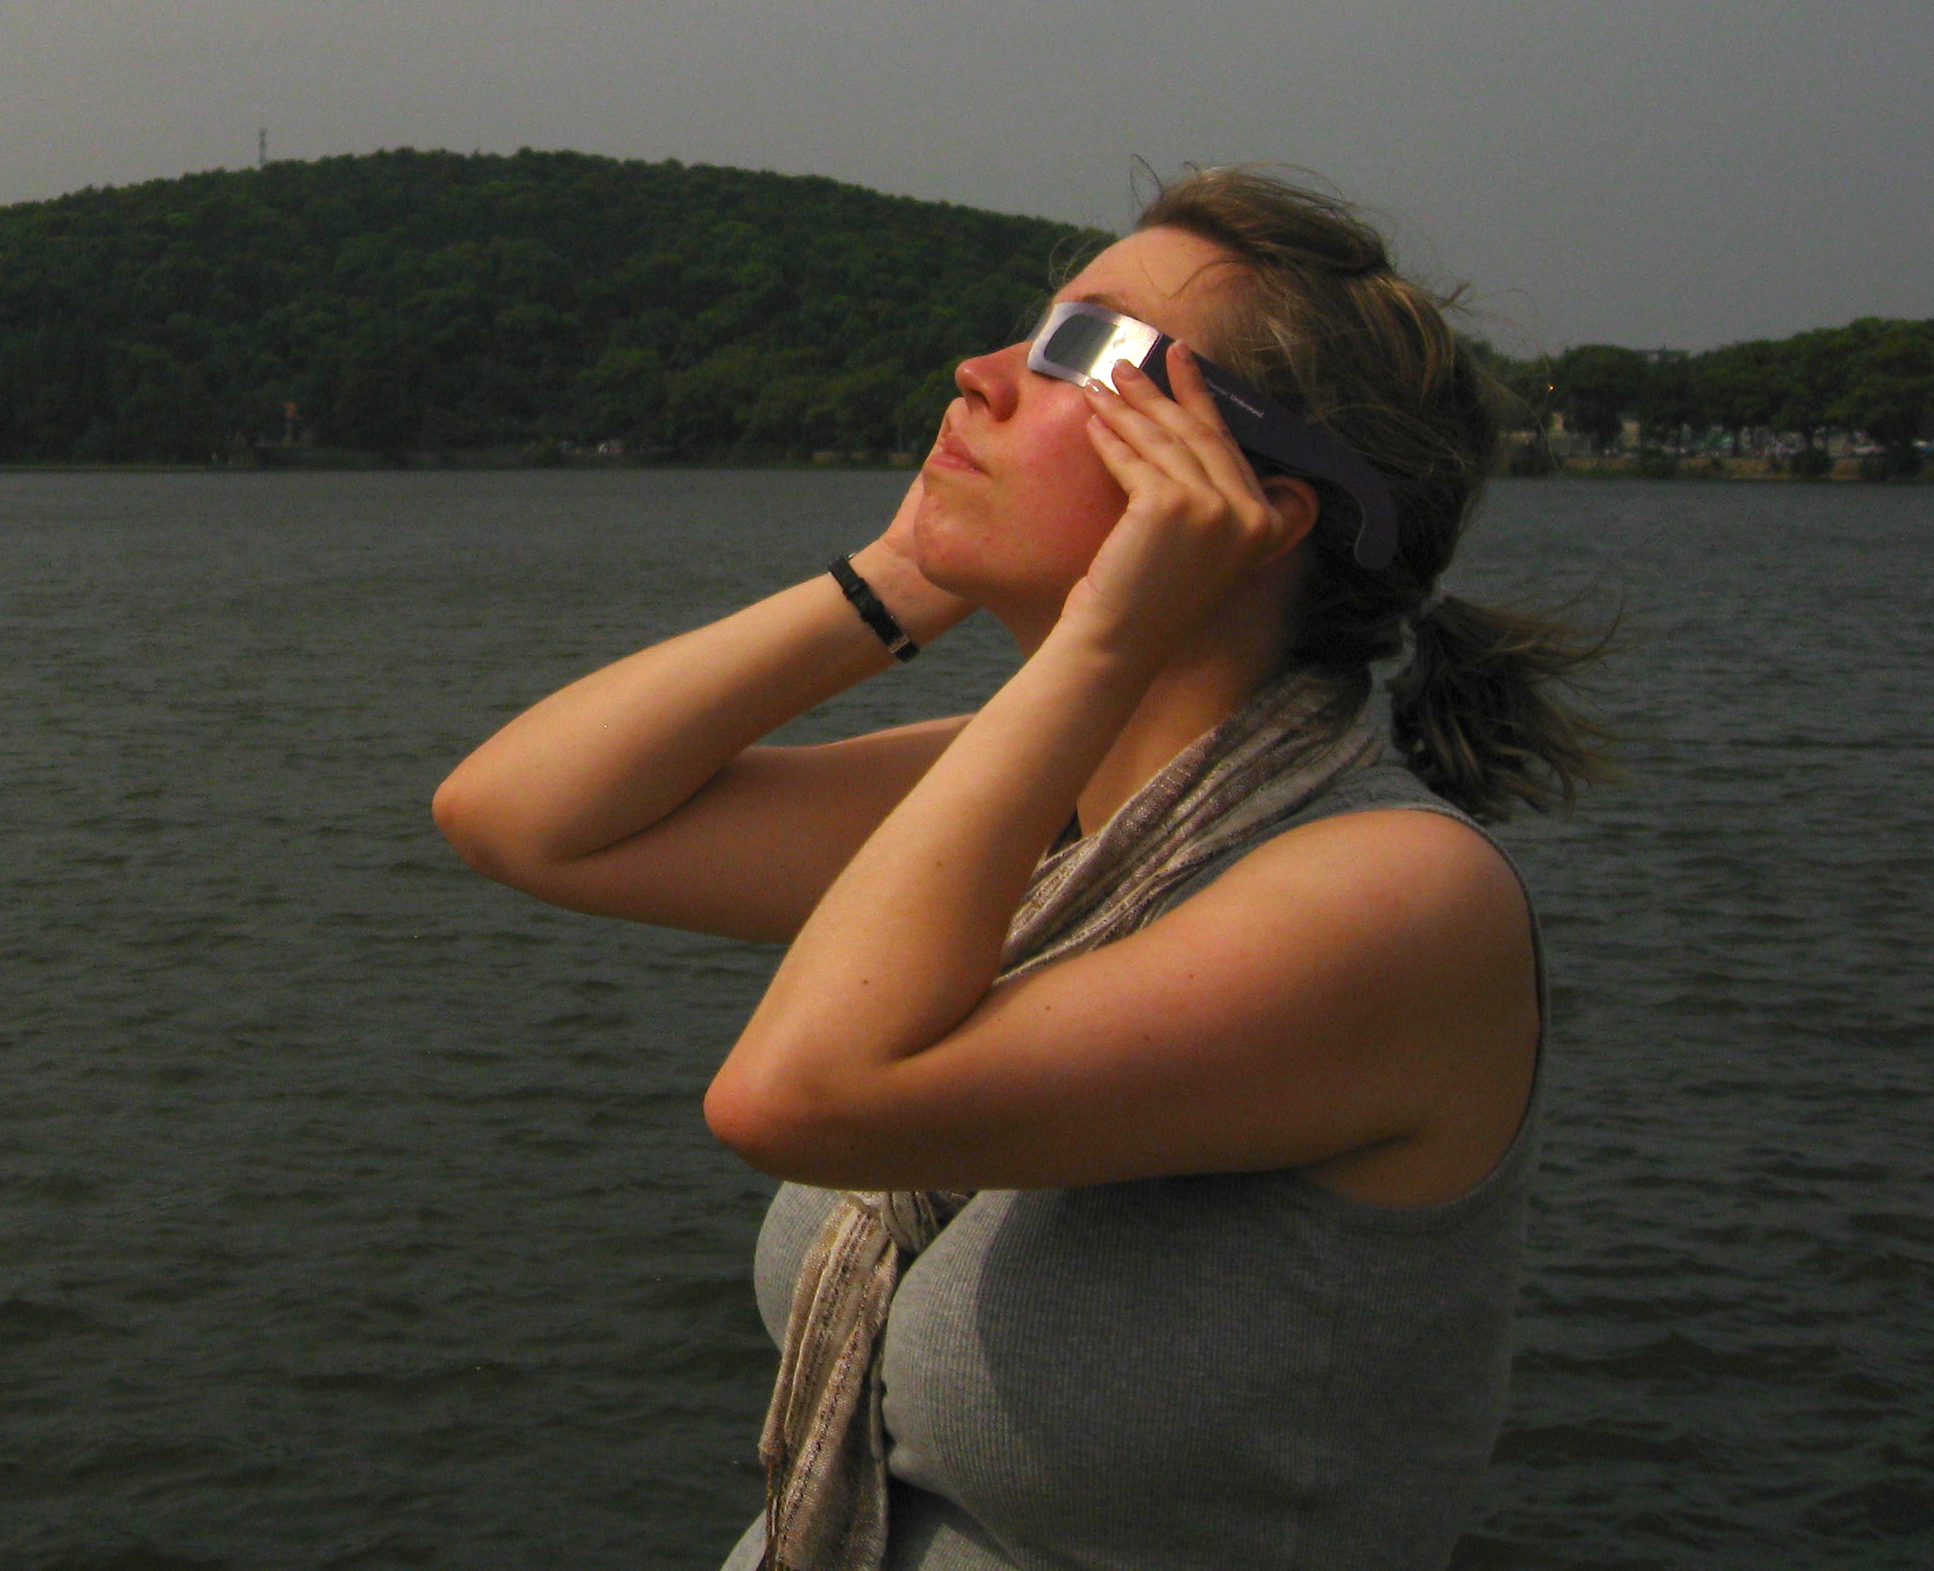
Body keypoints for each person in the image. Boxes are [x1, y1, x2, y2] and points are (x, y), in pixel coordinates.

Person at [431, 168, 1605, 1571]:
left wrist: (1100, 645)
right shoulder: (1047, 805)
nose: (976, 373)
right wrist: (896, 578)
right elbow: (522, 815)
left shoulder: (1395, 899)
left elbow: (797, 1097)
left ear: (1247, 500)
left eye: (1081, 351)